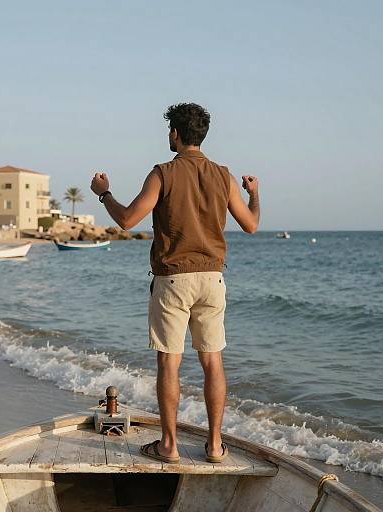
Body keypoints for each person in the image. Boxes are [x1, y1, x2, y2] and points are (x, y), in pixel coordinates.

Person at [90, 103, 260, 464]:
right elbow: (251, 224)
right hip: (212, 278)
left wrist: (104, 193)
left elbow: (127, 219)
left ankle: (168, 446)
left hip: (172, 279)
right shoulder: (224, 176)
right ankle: (214, 446)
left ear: (176, 134)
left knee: (170, 364)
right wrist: (254, 193)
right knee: (212, 362)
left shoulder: (163, 173)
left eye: (170, 130)